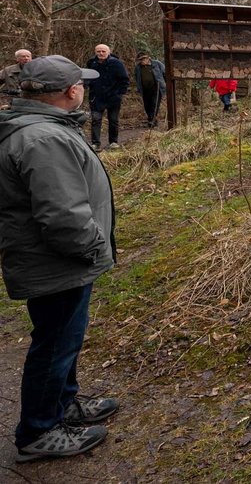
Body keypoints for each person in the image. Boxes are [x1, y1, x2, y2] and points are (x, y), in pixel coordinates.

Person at [0, 55, 118, 462]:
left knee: (63, 339)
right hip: (58, 261)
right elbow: (63, 214)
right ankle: (38, 430)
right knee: (54, 344)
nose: (83, 88)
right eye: (80, 83)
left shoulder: (42, 129)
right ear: (71, 92)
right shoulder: (43, 139)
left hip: (56, 260)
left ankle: (62, 404)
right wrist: (90, 249)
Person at [85, 44, 128, 150]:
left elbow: (124, 80)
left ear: (108, 52)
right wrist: (86, 85)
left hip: (113, 97)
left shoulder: (116, 63)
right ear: (95, 52)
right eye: (98, 51)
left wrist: (119, 93)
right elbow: (88, 77)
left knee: (113, 119)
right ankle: (95, 143)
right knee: (96, 119)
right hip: (96, 97)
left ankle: (113, 142)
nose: (101, 53)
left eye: (103, 51)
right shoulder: (91, 63)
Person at [133, 52, 166, 128]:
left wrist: (163, 84)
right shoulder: (138, 68)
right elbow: (137, 77)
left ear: (148, 58)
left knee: (154, 104)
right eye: (140, 60)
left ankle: (152, 120)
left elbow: (165, 73)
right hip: (145, 89)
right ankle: (152, 119)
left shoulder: (157, 64)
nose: (142, 61)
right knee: (147, 105)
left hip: (156, 88)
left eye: (144, 59)